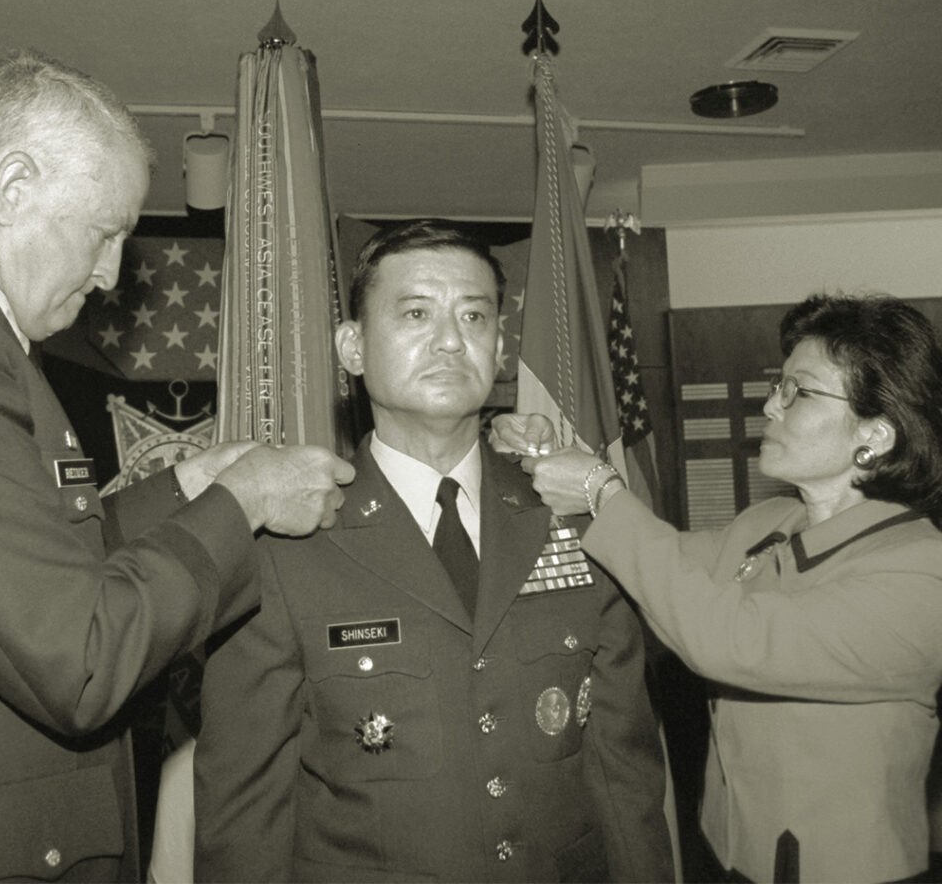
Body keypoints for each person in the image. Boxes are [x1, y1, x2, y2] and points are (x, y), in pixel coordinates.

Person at [0, 50, 354, 883]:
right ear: (13, 189)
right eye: (105, 232)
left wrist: (190, 487)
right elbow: (79, 657)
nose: (112, 274)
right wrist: (241, 500)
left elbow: (42, 565)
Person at [193, 219, 674, 883]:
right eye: (416, 313)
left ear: (499, 349)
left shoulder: (573, 521)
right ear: (353, 347)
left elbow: (625, 776)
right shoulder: (285, 544)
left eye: (474, 316)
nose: (451, 339)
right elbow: (244, 811)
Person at [492, 292, 942, 884]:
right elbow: (649, 569)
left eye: (799, 392)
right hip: (732, 855)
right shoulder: (767, 524)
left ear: (876, 434)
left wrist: (601, 490)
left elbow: (729, 640)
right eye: (778, 386)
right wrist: (543, 460)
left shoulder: (922, 571)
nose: (771, 404)